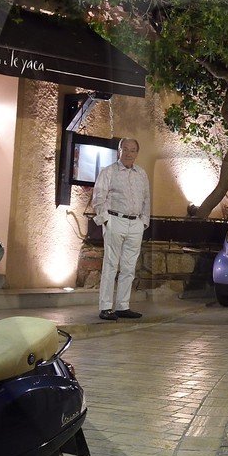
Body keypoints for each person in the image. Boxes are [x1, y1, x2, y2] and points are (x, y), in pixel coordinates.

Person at [92, 137, 150, 321]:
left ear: (137, 153)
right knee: (110, 264)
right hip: (115, 220)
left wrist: (144, 222)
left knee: (129, 267)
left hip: (136, 223)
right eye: (125, 149)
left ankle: (123, 306)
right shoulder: (109, 172)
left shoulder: (141, 173)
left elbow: (146, 199)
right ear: (119, 150)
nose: (129, 153)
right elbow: (99, 196)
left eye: (133, 150)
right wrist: (105, 220)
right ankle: (106, 307)